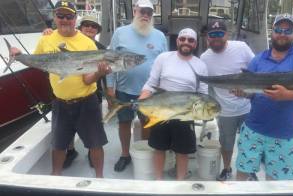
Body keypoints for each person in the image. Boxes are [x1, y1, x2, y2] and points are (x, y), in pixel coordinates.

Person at [10, 1, 111, 178]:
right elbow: (38, 61)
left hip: (87, 102)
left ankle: (100, 178)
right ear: (54, 17)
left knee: (95, 144)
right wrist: (18, 56)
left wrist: (98, 73)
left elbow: (88, 80)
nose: (65, 20)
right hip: (60, 103)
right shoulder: (46, 39)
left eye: (69, 16)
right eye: (60, 16)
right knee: (58, 145)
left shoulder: (87, 43)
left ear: (75, 18)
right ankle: (55, 175)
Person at [235, 13, 293, 181]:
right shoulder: (258, 59)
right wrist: (243, 93)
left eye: (288, 30)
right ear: (272, 32)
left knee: (275, 183)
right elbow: (252, 94)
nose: (282, 34)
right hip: (253, 129)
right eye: (278, 29)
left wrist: (287, 95)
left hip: (285, 133)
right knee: (241, 173)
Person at [106, 0, 167, 172]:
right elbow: (109, 61)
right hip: (123, 90)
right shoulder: (120, 33)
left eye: (149, 12)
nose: (145, 15)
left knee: (146, 123)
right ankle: (125, 154)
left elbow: (165, 66)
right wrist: (110, 88)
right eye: (142, 11)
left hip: (150, 92)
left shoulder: (160, 36)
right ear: (135, 11)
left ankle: (145, 153)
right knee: (124, 122)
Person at [139, 28, 208, 180]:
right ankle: (158, 181)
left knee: (183, 151)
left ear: (195, 44)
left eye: (190, 40)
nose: (186, 42)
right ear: (177, 41)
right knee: (159, 148)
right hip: (161, 110)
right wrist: (141, 99)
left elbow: (203, 93)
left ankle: (180, 181)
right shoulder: (163, 58)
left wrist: (202, 112)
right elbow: (151, 83)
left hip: (185, 113)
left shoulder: (201, 65)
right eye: (182, 39)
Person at [200, 20, 255, 181]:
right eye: (212, 34)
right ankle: (227, 168)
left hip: (248, 107)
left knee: (249, 143)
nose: (216, 38)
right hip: (224, 110)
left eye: (219, 34)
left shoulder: (241, 48)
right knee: (226, 143)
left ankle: (249, 170)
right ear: (207, 37)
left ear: (227, 35)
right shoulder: (204, 58)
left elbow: (257, 70)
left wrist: (247, 91)